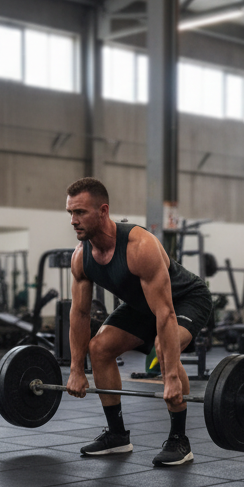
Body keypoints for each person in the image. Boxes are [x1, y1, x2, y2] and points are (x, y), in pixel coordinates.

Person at [65, 177, 213, 466]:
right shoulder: (81, 258)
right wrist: (75, 369)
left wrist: (170, 376)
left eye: (80, 212)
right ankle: (117, 436)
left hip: (185, 300)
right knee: (99, 348)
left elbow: (166, 313)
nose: (73, 220)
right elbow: (80, 315)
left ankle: (179, 439)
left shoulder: (139, 245)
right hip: (140, 306)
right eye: (70, 213)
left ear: (103, 211)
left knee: (163, 348)